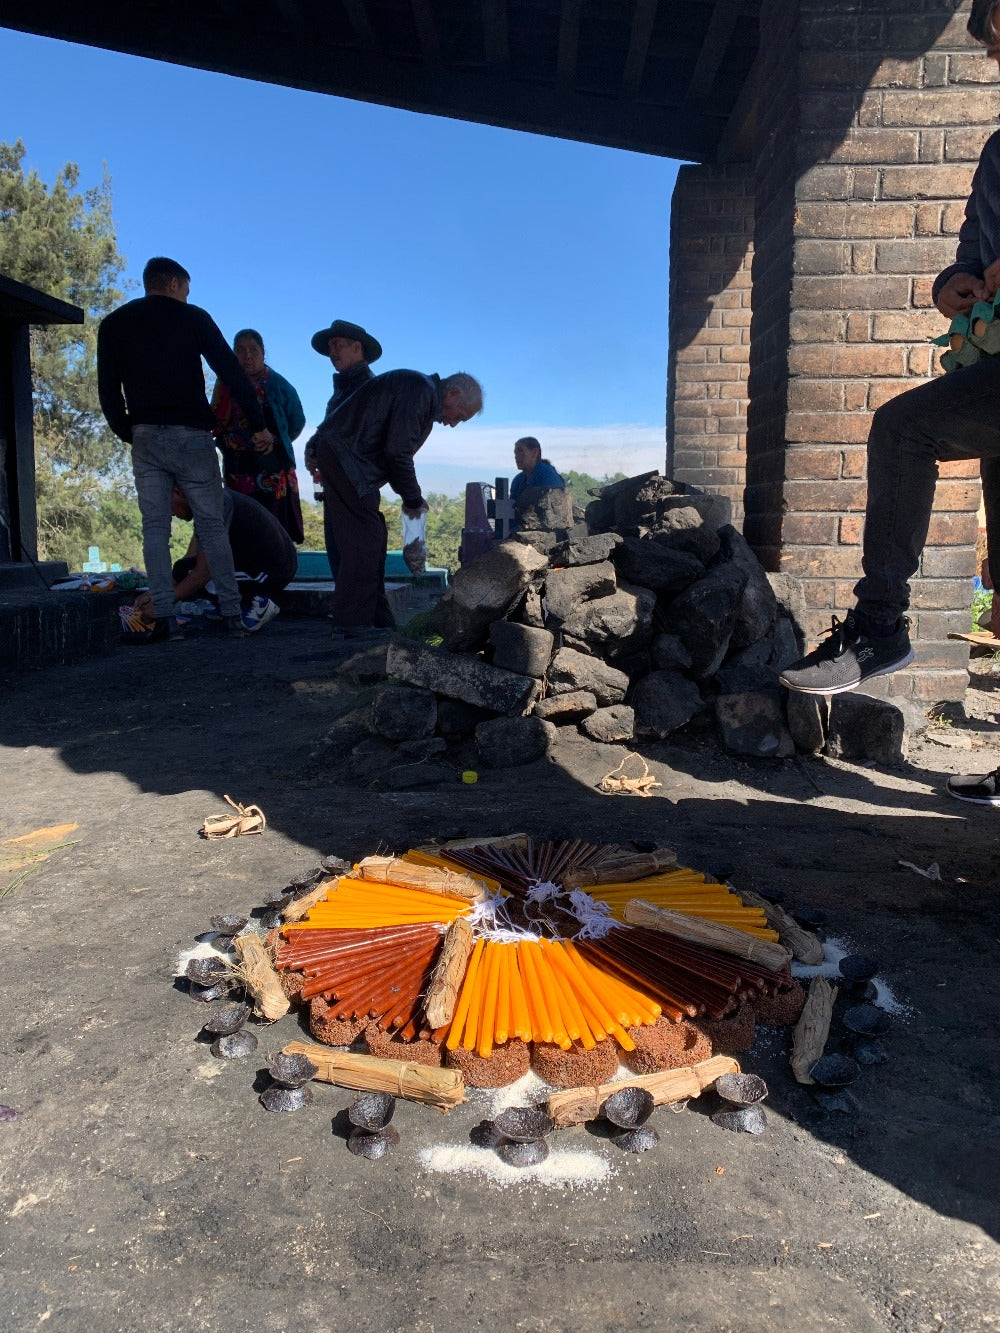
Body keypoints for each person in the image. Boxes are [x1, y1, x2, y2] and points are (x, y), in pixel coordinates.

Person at [781, 0, 1000, 805]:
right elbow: (969, 259)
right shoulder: (997, 154)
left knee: (902, 428)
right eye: (997, 43)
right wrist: (957, 286)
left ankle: (881, 624)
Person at [97, 256, 273, 643]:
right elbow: (230, 371)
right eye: (187, 290)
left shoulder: (114, 324)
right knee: (211, 527)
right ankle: (231, 616)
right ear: (175, 285)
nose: (187, 296)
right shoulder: (193, 318)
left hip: (145, 433)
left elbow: (108, 391)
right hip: (192, 436)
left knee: (154, 529)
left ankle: (166, 620)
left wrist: (131, 432)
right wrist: (259, 425)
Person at [308, 370, 483, 636]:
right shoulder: (421, 391)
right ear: (453, 393)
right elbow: (397, 451)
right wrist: (412, 498)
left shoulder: (420, 390)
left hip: (352, 460)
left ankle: (377, 617)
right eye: (459, 415)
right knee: (364, 537)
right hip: (348, 457)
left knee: (373, 534)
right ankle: (352, 622)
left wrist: (411, 496)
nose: (453, 423)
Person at [130, 485, 296, 634]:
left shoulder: (212, 505)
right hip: (253, 564)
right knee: (182, 569)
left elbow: (205, 571)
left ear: (177, 492)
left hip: (271, 571)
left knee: (205, 577)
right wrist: (158, 592)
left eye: (168, 506)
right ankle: (233, 603)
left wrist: (163, 602)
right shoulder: (204, 501)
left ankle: (256, 602)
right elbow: (190, 559)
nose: (171, 513)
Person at [303, 319, 382, 579]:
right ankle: (347, 608)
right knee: (338, 549)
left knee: (354, 552)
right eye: (330, 347)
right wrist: (314, 446)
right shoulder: (343, 390)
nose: (332, 353)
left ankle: (356, 614)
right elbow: (330, 428)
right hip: (336, 485)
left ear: (357, 347)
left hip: (356, 486)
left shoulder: (369, 389)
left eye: (338, 345)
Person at [212, 329, 306, 544]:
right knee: (242, 526)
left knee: (275, 527)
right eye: (240, 350)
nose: (247, 356)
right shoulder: (226, 384)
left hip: (272, 470)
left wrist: (273, 438)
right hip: (237, 469)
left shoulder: (278, 385)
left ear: (264, 353)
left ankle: (276, 572)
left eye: (253, 350)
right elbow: (217, 418)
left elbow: (297, 421)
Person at [509, 436, 565, 532]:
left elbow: (554, 513)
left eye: (521, 451)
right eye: (515, 453)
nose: (516, 456)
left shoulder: (547, 475)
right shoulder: (518, 480)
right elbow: (510, 509)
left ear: (534, 453)